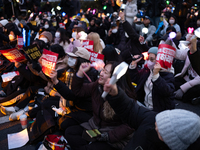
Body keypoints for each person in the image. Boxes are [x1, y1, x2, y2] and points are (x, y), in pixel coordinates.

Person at [103, 79, 200, 150]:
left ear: (171, 142)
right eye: (161, 120)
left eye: (162, 130)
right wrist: (117, 95)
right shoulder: (153, 120)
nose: (156, 125)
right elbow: (132, 110)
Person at [65, 61, 135, 150]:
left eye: (105, 72)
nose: (101, 74)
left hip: (112, 135)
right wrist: (80, 72)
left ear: (115, 78)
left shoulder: (124, 97)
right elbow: (78, 91)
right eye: (102, 70)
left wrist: (108, 136)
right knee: (70, 132)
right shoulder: (97, 86)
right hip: (96, 127)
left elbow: (130, 125)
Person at [129, 47, 175, 112]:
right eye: (148, 59)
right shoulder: (147, 70)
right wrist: (133, 64)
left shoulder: (168, 74)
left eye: (152, 59)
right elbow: (136, 79)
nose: (149, 62)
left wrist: (156, 75)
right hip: (144, 105)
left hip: (157, 110)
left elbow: (166, 91)